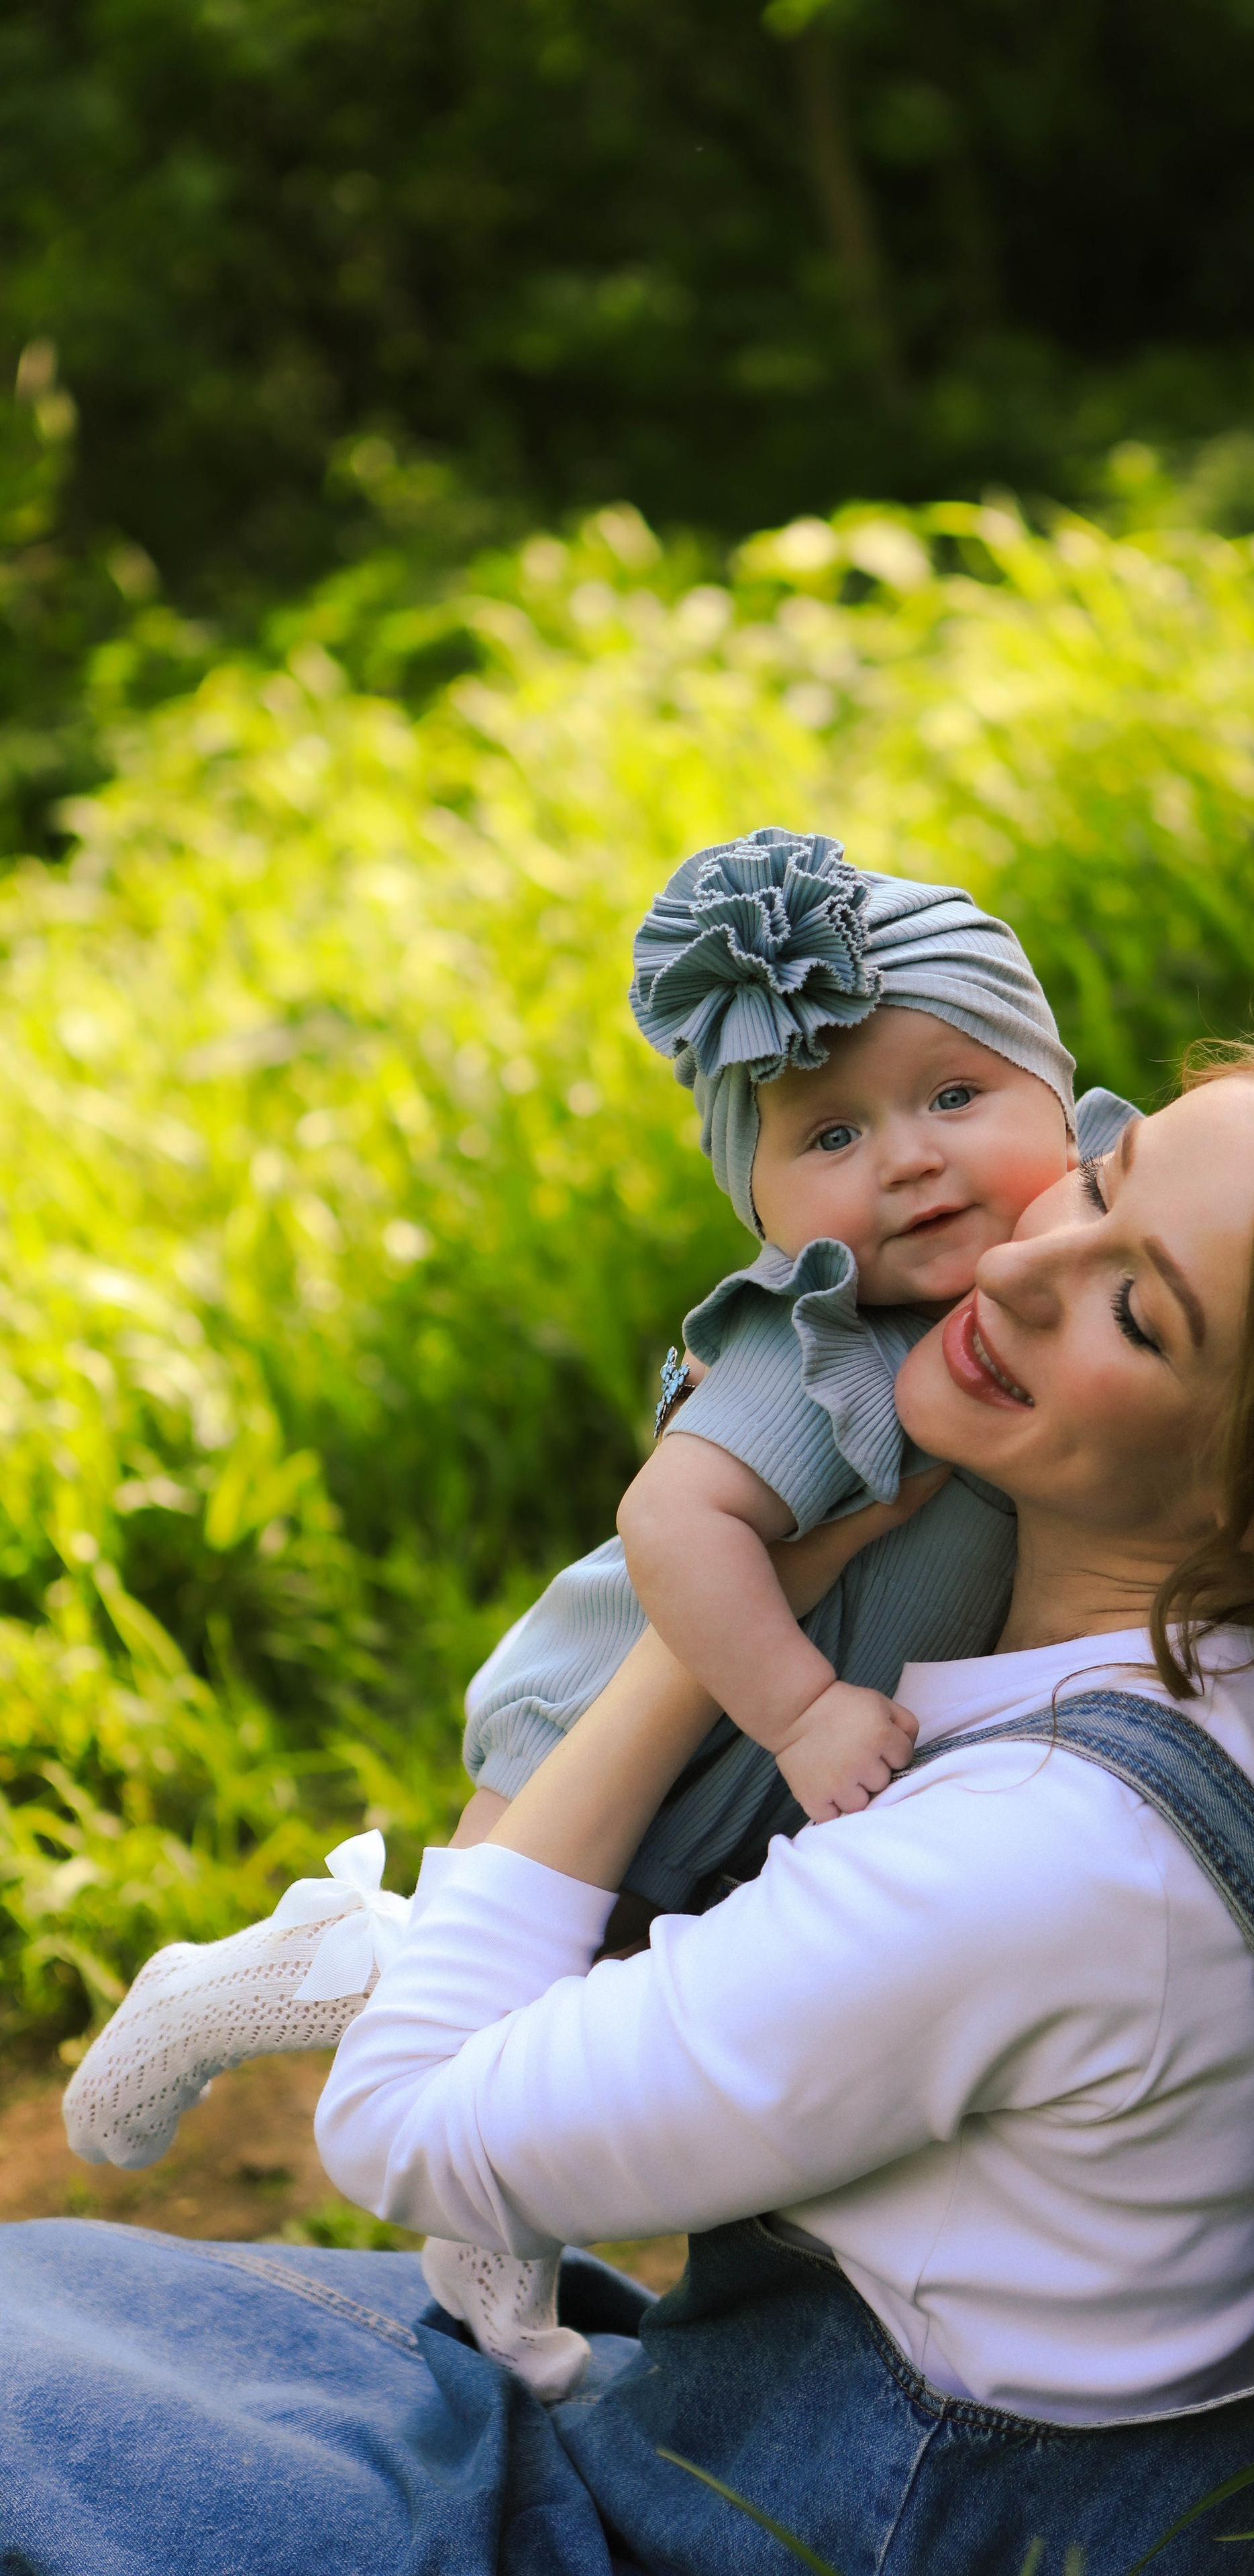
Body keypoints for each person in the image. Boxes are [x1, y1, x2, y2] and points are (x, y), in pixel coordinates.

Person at [5, 1032, 1254, 2576]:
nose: (1006, 1269)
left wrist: (699, 1632)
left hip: (728, 2535)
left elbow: (406, 2121)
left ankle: (349, 1962)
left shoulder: (1034, 1861)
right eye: (1103, 1179)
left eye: (1134, 1310)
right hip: (878, 2450)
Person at [62, 823, 1135, 2388]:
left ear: (1059, 1094)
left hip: (773, 1740)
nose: (907, 1157)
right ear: (758, 1202)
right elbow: (672, 1517)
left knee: (575, 1999)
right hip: (646, 1698)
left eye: (955, 1096)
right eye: (828, 1137)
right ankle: (276, 1985)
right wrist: (798, 1707)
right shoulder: (814, 1345)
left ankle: (490, 2214)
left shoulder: (1071, 1255)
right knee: (494, 1962)